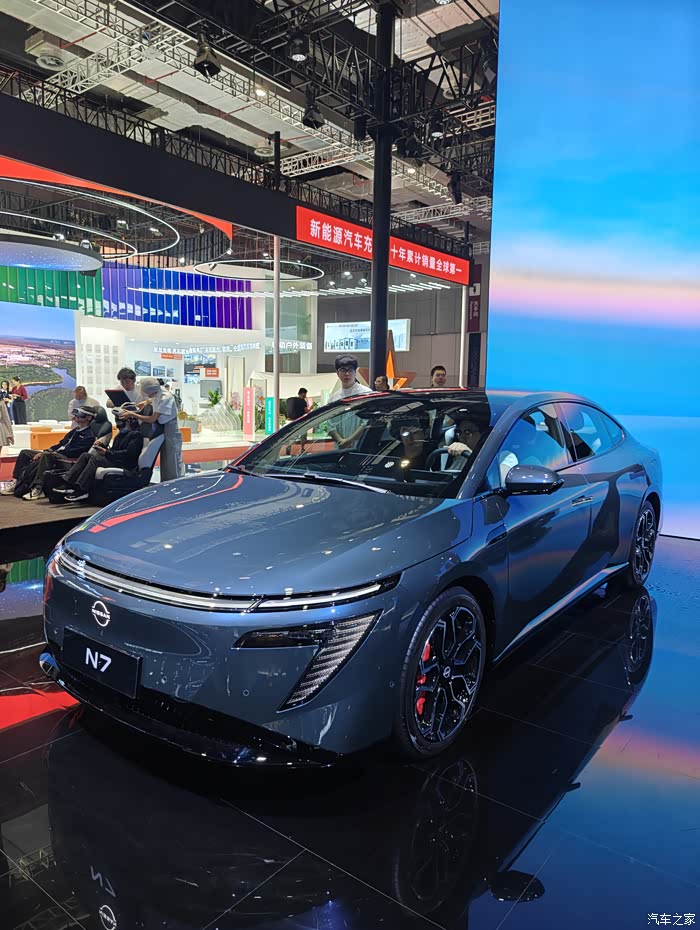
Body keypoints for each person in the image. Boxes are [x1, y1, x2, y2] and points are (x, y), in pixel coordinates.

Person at [2, 406, 99, 500]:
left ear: (88, 417)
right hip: (57, 453)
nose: (76, 416)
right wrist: (48, 450)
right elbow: (61, 443)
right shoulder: (75, 431)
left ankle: (38, 488)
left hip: (66, 456)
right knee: (25, 453)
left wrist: (52, 452)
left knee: (46, 455)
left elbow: (74, 451)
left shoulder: (89, 435)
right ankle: (16, 481)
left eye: (80, 414)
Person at [53, 406, 144, 503]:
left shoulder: (136, 435)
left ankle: (82, 489)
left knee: (95, 459)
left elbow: (128, 455)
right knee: (85, 455)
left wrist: (106, 452)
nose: (118, 424)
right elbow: (115, 451)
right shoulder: (121, 435)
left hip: (124, 464)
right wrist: (103, 448)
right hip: (115, 459)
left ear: (129, 422)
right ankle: (68, 483)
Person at [126, 377, 183, 481]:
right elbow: (152, 399)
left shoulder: (166, 398)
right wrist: (144, 403)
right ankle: (166, 483)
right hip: (163, 429)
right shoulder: (159, 391)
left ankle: (175, 484)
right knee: (165, 460)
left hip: (171, 431)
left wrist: (133, 414)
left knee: (172, 461)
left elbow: (152, 419)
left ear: (152, 391)